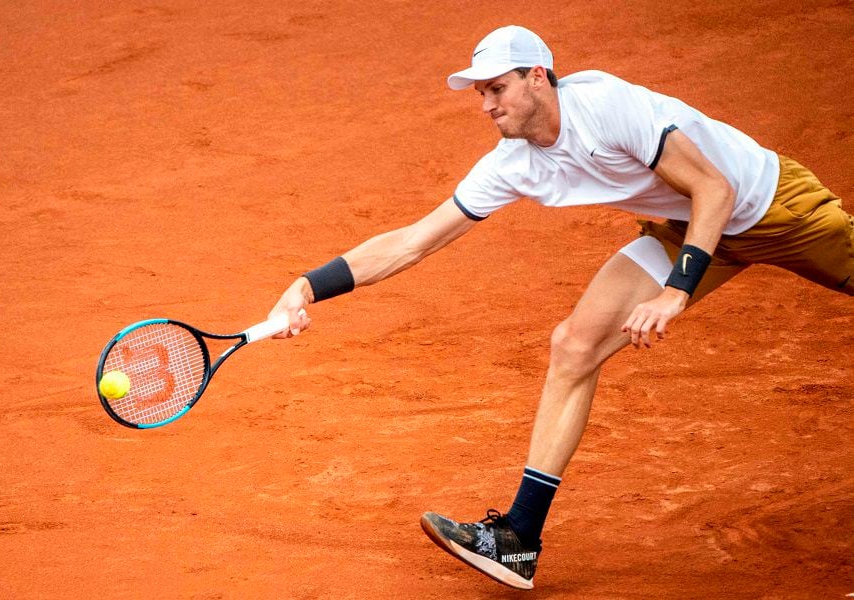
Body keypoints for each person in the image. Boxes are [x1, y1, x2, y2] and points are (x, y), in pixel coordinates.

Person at [268, 25, 853, 590]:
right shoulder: (514, 162)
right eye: (482, 95)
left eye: (498, 89)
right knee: (574, 345)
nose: (487, 107)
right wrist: (307, 286)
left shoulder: (606, 106)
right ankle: (519, 537)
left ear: (539, 78)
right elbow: (414, 241)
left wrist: (676, 290)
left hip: (774, 207)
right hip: (685, 230)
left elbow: (716, 189)